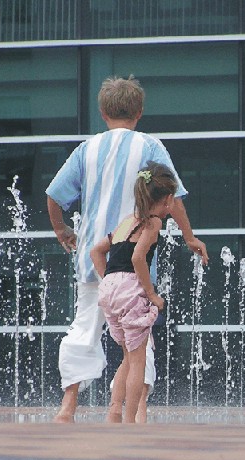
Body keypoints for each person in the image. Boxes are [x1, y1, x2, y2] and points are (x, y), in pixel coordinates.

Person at [47, 76, 208, 423]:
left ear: (103, 113)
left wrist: (62, 230)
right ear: (139, 112)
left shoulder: (86, 149)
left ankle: (68, 404)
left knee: (83, 328)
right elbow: (173, 197)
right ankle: (130, 411)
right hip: (134, 265)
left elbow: (54, 195)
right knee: (138, 338)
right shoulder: (149, 146)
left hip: (97, 259)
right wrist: (189, 236)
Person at [91, 162, 175, 423]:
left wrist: (111, 281)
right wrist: (151, 295)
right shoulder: (154, 224)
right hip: (130, 290)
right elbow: (139, 258)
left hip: (108, 292)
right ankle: (129, 423)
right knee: (139, 361)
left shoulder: (126, 222)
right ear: (168, 199)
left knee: (128, 356)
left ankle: (114, 411)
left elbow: (96, 251)